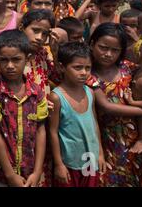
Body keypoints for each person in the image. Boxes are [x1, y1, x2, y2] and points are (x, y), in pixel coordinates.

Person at [86, 23, 142, 186]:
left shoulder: (128, 68)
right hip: (112, 139)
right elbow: (106, 107)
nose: (108, 54)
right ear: (92, 44)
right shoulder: (88, 75)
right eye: (103, 47)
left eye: (115, 50)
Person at [0, 30, 48, 187]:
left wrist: (37, 171)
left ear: (27, 59)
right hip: (2, 174)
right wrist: (10, 174)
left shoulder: (37, 92)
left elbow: (41, 131)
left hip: (31, 172)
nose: (10, 66)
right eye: (4, 60)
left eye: (16, 60)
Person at [49, 42, 105, 187]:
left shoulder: (90, 92)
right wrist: (59, 164)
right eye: (77, 67)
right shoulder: (56, 97)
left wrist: (100, 153)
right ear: (62, 67)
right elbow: (53, 132)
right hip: (69, 163)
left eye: (88, 68)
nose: (84, 72)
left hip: (91, 161)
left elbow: (94, 124)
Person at [19, 10, 60, 96]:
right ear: (21, 28)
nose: (39, 37)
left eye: (44, 34)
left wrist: (55, 54)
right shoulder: (13, 54)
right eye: (35, 30)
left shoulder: (42, 54)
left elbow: (57, 79)